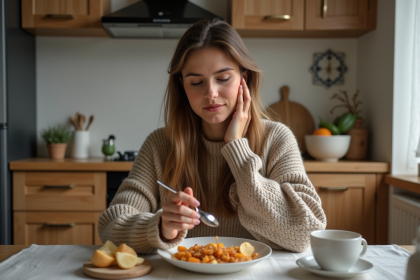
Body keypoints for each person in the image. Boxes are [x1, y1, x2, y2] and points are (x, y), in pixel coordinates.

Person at [98, 18, 326, 254]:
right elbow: (109, 226)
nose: (211, 93)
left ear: (243, 79)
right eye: (196, 82)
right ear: (182, 87)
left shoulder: (277, 139)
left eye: (223, 78)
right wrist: (160, 226)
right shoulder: (160, 144)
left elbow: (305, 234)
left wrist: (237, 149)